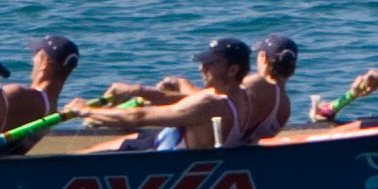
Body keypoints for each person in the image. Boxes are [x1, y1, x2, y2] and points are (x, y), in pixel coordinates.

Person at [71, 38, 250, 151]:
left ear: (232, 70)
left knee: (82, 155)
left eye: (209, 64)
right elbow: (185, 102)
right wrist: (138, 91)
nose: (201, 68)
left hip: (161, 161)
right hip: (162, 141)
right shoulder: (242, 96)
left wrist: (85, 110)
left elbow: (137, 117)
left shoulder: (211, 105)